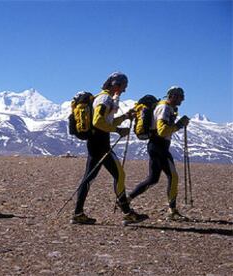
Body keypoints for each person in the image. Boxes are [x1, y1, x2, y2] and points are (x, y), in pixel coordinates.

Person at [71, 72, 148, 225]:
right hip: (101, 144)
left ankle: (78, 213)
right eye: (124, 86)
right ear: (116, 85)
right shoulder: (105, 98)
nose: (125, 90)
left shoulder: (103, 98)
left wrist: (125, 117)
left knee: (89, 177)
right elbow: (98, 121)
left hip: (95, 143)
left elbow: (106, 120)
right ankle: (127, 213)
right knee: (119, 175)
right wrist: (118, 130)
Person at [128, 86, 190, 221]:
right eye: (180, 96)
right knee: (173, 177)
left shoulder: (166, 107)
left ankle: (126, 199)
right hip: (159, 146)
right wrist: (179, 125)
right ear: (173, 96)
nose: (182, 99)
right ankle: (172, 211)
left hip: (156, 146)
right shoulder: (165, 108)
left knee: (153, 179)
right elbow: (162, 131)